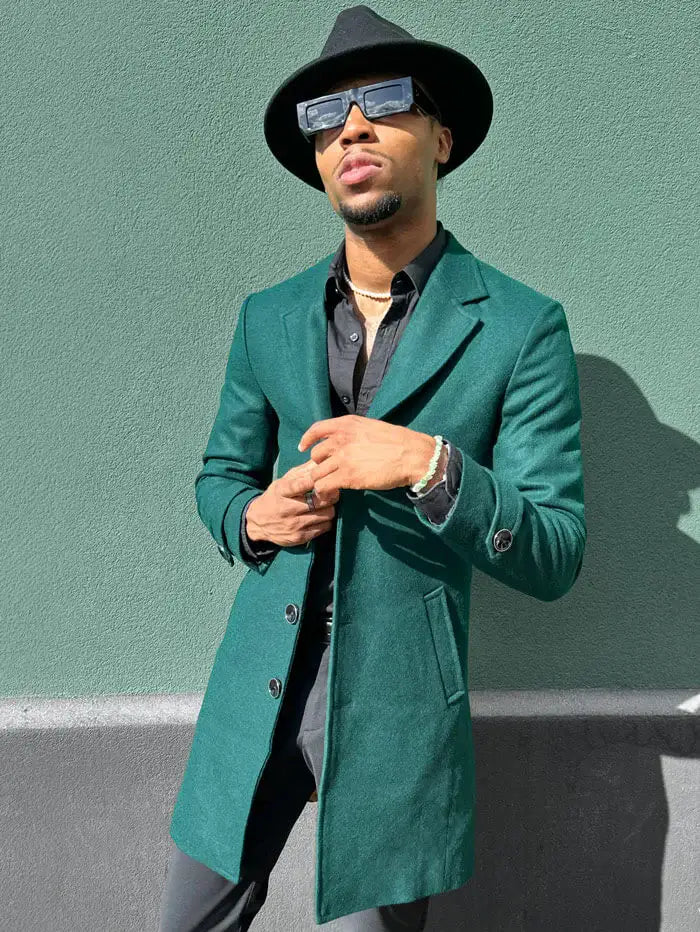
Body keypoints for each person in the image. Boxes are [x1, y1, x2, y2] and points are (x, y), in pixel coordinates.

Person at [159, 5, 586, 930]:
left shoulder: (522, 326)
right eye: (325, 115)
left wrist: (430, 466)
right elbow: (218, 477)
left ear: (442, 136)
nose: (350, 125)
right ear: (318, 160)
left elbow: (556, 550)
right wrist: (248, 518)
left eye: (384, 100)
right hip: (256, 691)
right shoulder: (266, 317)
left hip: (398, 715)